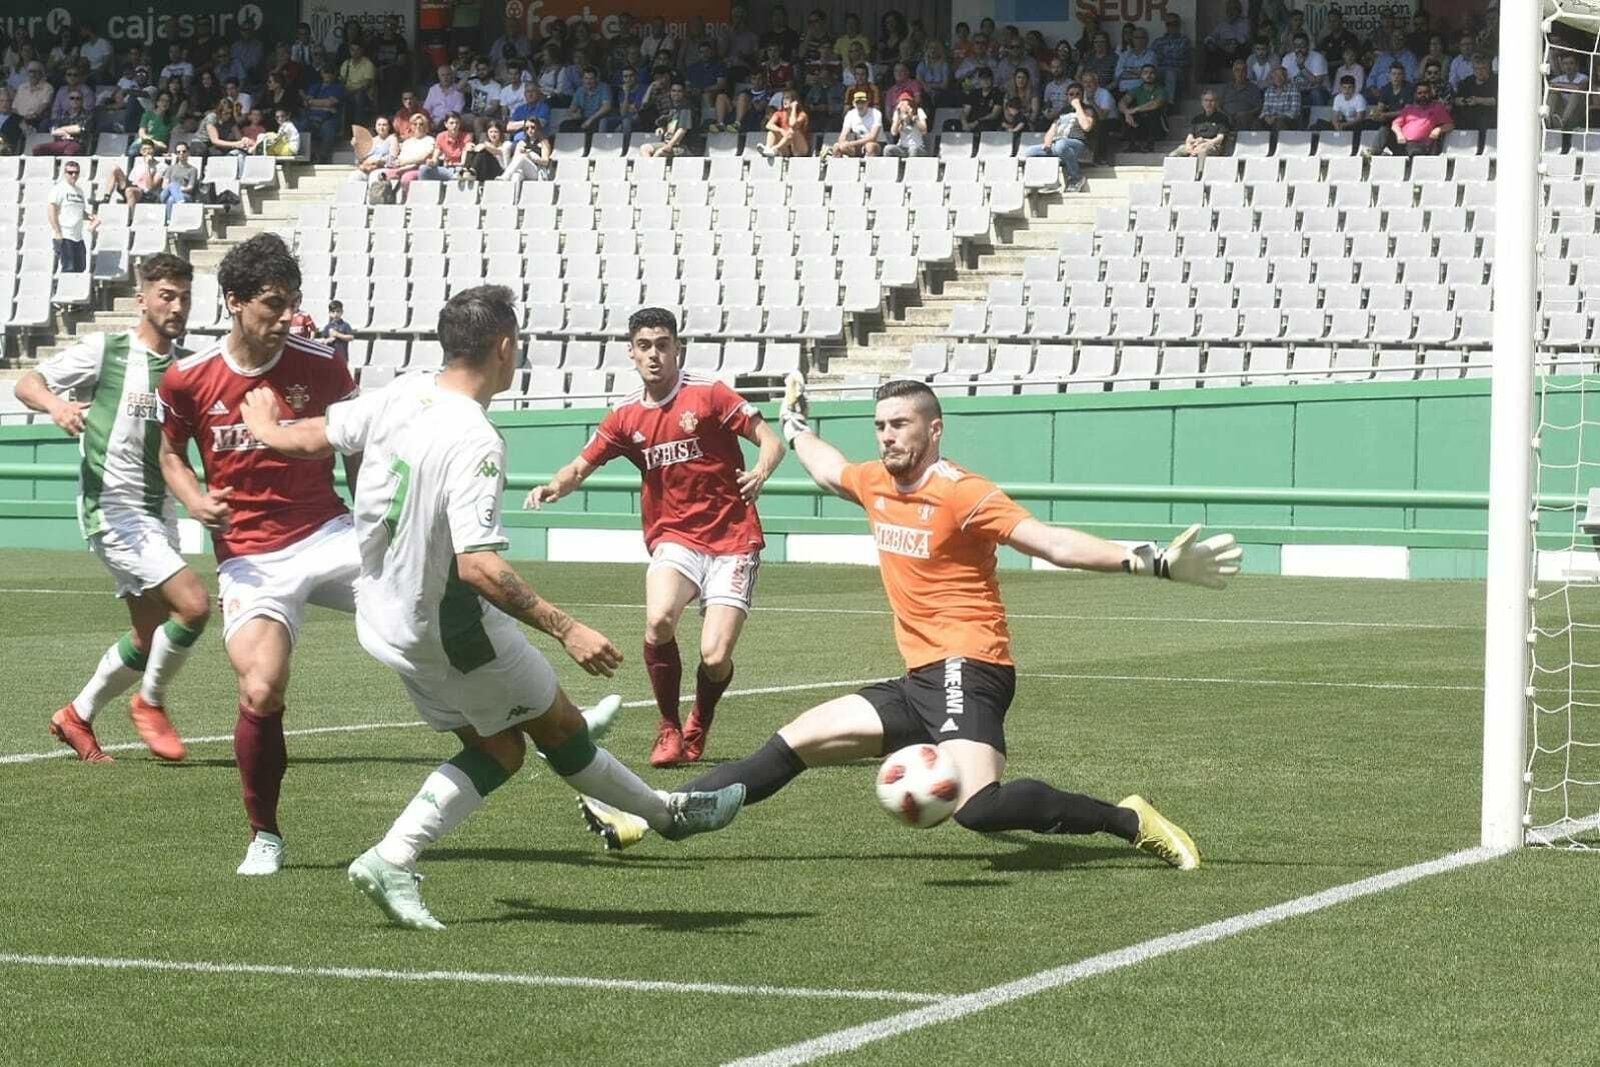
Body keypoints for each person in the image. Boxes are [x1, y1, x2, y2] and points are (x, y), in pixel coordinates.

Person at [233, 288, 745, 929]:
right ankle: (667, 817)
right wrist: (568, 628)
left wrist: (265, 430)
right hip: (454, 631)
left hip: (385, 620)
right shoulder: (476, 438)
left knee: (500, 747)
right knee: (556, 731)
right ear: (505, 347)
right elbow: (479, 565)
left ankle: (398, 855)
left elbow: (318, 436)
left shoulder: (402, 392)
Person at [579, 379, 1240, 863]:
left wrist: (1146, 560)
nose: (888, 435)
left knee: (979, 809)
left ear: (934, 429)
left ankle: (1127, 818)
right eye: (881, 425)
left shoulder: (963, 492)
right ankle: (654, 813)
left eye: (900, 424)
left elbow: (1051, 542)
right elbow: (829, 469)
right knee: (791, 743)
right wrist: (797, 423)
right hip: (921, 675)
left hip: (971, 667)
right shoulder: (874, 480)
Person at [155, 233, 365, 877]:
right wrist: (192, 498)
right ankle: (266, 835)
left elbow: (357, 451)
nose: (284, 317)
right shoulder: (187, 378)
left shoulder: (323, 364)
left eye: (291, 303)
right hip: (250, 557)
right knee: (263, 686)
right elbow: (169, 453)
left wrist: (378, 528)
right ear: (235, 303)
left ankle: (544, 720)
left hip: (330, 533)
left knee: (443, 593)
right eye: (272, 304)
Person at [526, 308, 785, 767]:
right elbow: (581, 466)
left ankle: (699, 719)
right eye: (644, 346)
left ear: (677, 349)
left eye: (663, 345)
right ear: (631, 353)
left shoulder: (709, 395)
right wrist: (553, 486)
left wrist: (761, 470)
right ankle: (668, 728)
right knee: (659, 619)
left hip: (733, 539)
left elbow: (770, 439)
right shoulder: (626, 416)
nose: (654, 355)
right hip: (675, 537)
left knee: (715, 654)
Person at [16, 254, 208, 765]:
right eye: (167, 295)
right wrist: (57, 406)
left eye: (184, 296)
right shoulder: (109, 350)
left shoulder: (187, 370)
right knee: (192, 606)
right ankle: (150, 703)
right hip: (113, 508)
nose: (177, 305)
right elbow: (27, 382)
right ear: (142, 299)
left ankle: (75, 716)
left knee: (148, 638)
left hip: (158, 511)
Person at [1022, 81, 1093, 192]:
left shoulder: (1087, 109)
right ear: (1067, 96)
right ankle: (1048, 181)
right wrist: (1047, 143)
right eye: (1071, 94)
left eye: (1077, 94)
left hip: (1078, 144)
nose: (1074, 96)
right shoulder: (1063, 111)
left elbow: (1087, 126)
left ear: (1082, 96)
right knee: (1030, 152)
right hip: (1058, 144)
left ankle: (1076, 178)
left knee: (1061, 145)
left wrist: (1078, 106)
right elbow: (1052, 129)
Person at [1369, 80, 1453, 157]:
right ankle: (1372, 154)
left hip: (1423, 145)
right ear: (1415, 94)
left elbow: (1450, 125)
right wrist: (1399, 134)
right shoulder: (1409, 109)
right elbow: (1395, 124)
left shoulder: (1437, 107)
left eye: (1426, 92)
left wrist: (1438, 129)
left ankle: (1394, 158)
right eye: (1420, 93)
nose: (1423, 95)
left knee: (1413, 151)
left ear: (1430, 93)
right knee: (1385, 130)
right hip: (1402, 143)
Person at [47, 161, 95, 274]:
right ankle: (65, 291)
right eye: (70, 172)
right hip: (65, 235)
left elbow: (80, 211)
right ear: (65, 173)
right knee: (68, 269)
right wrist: (58, 232)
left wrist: (90, 217)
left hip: (78, 237)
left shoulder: (80, 191)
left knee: (80, 268)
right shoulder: (59, 189)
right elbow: (51, 210)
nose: (74, 175)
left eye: (76, 172)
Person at [1117, 64, 1166, 153]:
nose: (1149, 75)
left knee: (1153, 112)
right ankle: (1132, 144)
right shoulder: (1137, 89)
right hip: (1140, 124)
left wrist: (1134, 110)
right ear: (1141, 75)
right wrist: (1127, 113)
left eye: (1152, 73)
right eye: (1145, 73)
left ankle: (1149, 145)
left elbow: (1155, 104)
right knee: (1127, 113)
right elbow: (1122, 102)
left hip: (1157, 125)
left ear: (1156, 75)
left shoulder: (1161, 90)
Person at [1171, 88, 1230, 159]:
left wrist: (1204, 141)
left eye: (1211, 100)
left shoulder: (1222, 118)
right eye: (1206, 100)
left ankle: (1199, 170)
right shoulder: (1197, 119)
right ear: (1202, 102)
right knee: (1174, 154)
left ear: (1216, 102)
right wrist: (1188, 145)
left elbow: (1220, 139)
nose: (1209, 103)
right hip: (1196, 144)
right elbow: (1190, 136)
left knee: (1201, 151)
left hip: (1213, 146)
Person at [638, 90, 692, 159]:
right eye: (673, 91)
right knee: (644, 148)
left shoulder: (685, 110)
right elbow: (669, 127)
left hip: (680, 147)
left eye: (679, 91)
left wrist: (670, 145)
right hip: (666, 143)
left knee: (659, 153)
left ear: (683, 94)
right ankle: (649, 167)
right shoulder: (672, 111)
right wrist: (661, 129)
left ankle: (651, 167)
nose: (676, 93)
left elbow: (682, 130)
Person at [1452, 55, 1497, 133]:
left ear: (1489, 68)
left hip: (1489, 119)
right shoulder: (1467, 81)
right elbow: (1455, 100)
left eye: (1483, 68)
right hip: (1468, 120)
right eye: (1476, 69)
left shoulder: (1496, 80)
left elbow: (1498, 100)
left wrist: (1478, 100)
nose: (1479, 72)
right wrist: (1462, 101)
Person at [831, 91, 883, 157]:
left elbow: (873, 137)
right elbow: (843, 135)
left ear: (867, 103)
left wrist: (851, 143)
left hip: (877, 143)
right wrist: (843, 142)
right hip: (857, 145)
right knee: (837, 146)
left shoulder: (876, 113)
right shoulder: (850, 114)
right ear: (853, 104)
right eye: (858, 103)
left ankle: (871, 166)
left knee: (870, 146)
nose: (860, 105)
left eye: (863, 102)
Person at [758, 93, 810, 158]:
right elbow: (768, 125)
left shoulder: (802, 114)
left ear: (794, 101)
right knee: (771, 132)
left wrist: (793, 108)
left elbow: (792, 125)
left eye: (787, 98)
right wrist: (781, 130)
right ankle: (768, 149)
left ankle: (774, 149)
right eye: (784, 98)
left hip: (799, 149)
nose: (784, 101)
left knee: (792, 131)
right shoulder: (779, 113)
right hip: (786, 148)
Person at [1219, 58, 1263, 130]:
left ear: (1246, 72)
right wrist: (1227, 115)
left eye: (1243, 70)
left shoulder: (1253, 88)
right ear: (1233, 72)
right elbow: (1218, 106)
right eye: (1237, 70)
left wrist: (1246, 113)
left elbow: (1259, 107)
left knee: (1244, 119)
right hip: (1227, 117)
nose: (1240, 73)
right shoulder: (1226, 87)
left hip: (1246, 118)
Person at [1258, 66, 1301, 131]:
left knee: (1280, 122)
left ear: (1286, 77)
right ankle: (1261, 141)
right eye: (1276, 75)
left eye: (1282, 75)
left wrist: (1276, 117)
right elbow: (1265, 109)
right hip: (1271, 119)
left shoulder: (1294, 89)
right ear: (1272, 77)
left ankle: (1278, 141)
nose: (1278, 78)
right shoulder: (1269, 90)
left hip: (1288, 120)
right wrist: (1267, 117)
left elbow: (1294, 112)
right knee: (1257, 123)